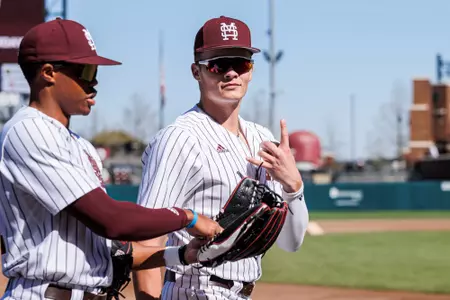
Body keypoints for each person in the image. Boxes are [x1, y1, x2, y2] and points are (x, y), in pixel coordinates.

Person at [0, 18, 222, 300]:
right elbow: (112, 220)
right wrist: (187, 218)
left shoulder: (81, 146)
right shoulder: (27, 130)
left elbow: (112, 253)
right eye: (86, 70)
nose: (94, 82)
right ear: (48, 72)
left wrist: (183, 255)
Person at [133, 16, 309, 300]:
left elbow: (290, 243)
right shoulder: (179, 138)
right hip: (192, 290)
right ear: (196, 71)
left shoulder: (260, 138)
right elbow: (145, 240)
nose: (230, 74)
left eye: (240, 64)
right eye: (217, 64)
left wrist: (293, 187)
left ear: (250, 71)